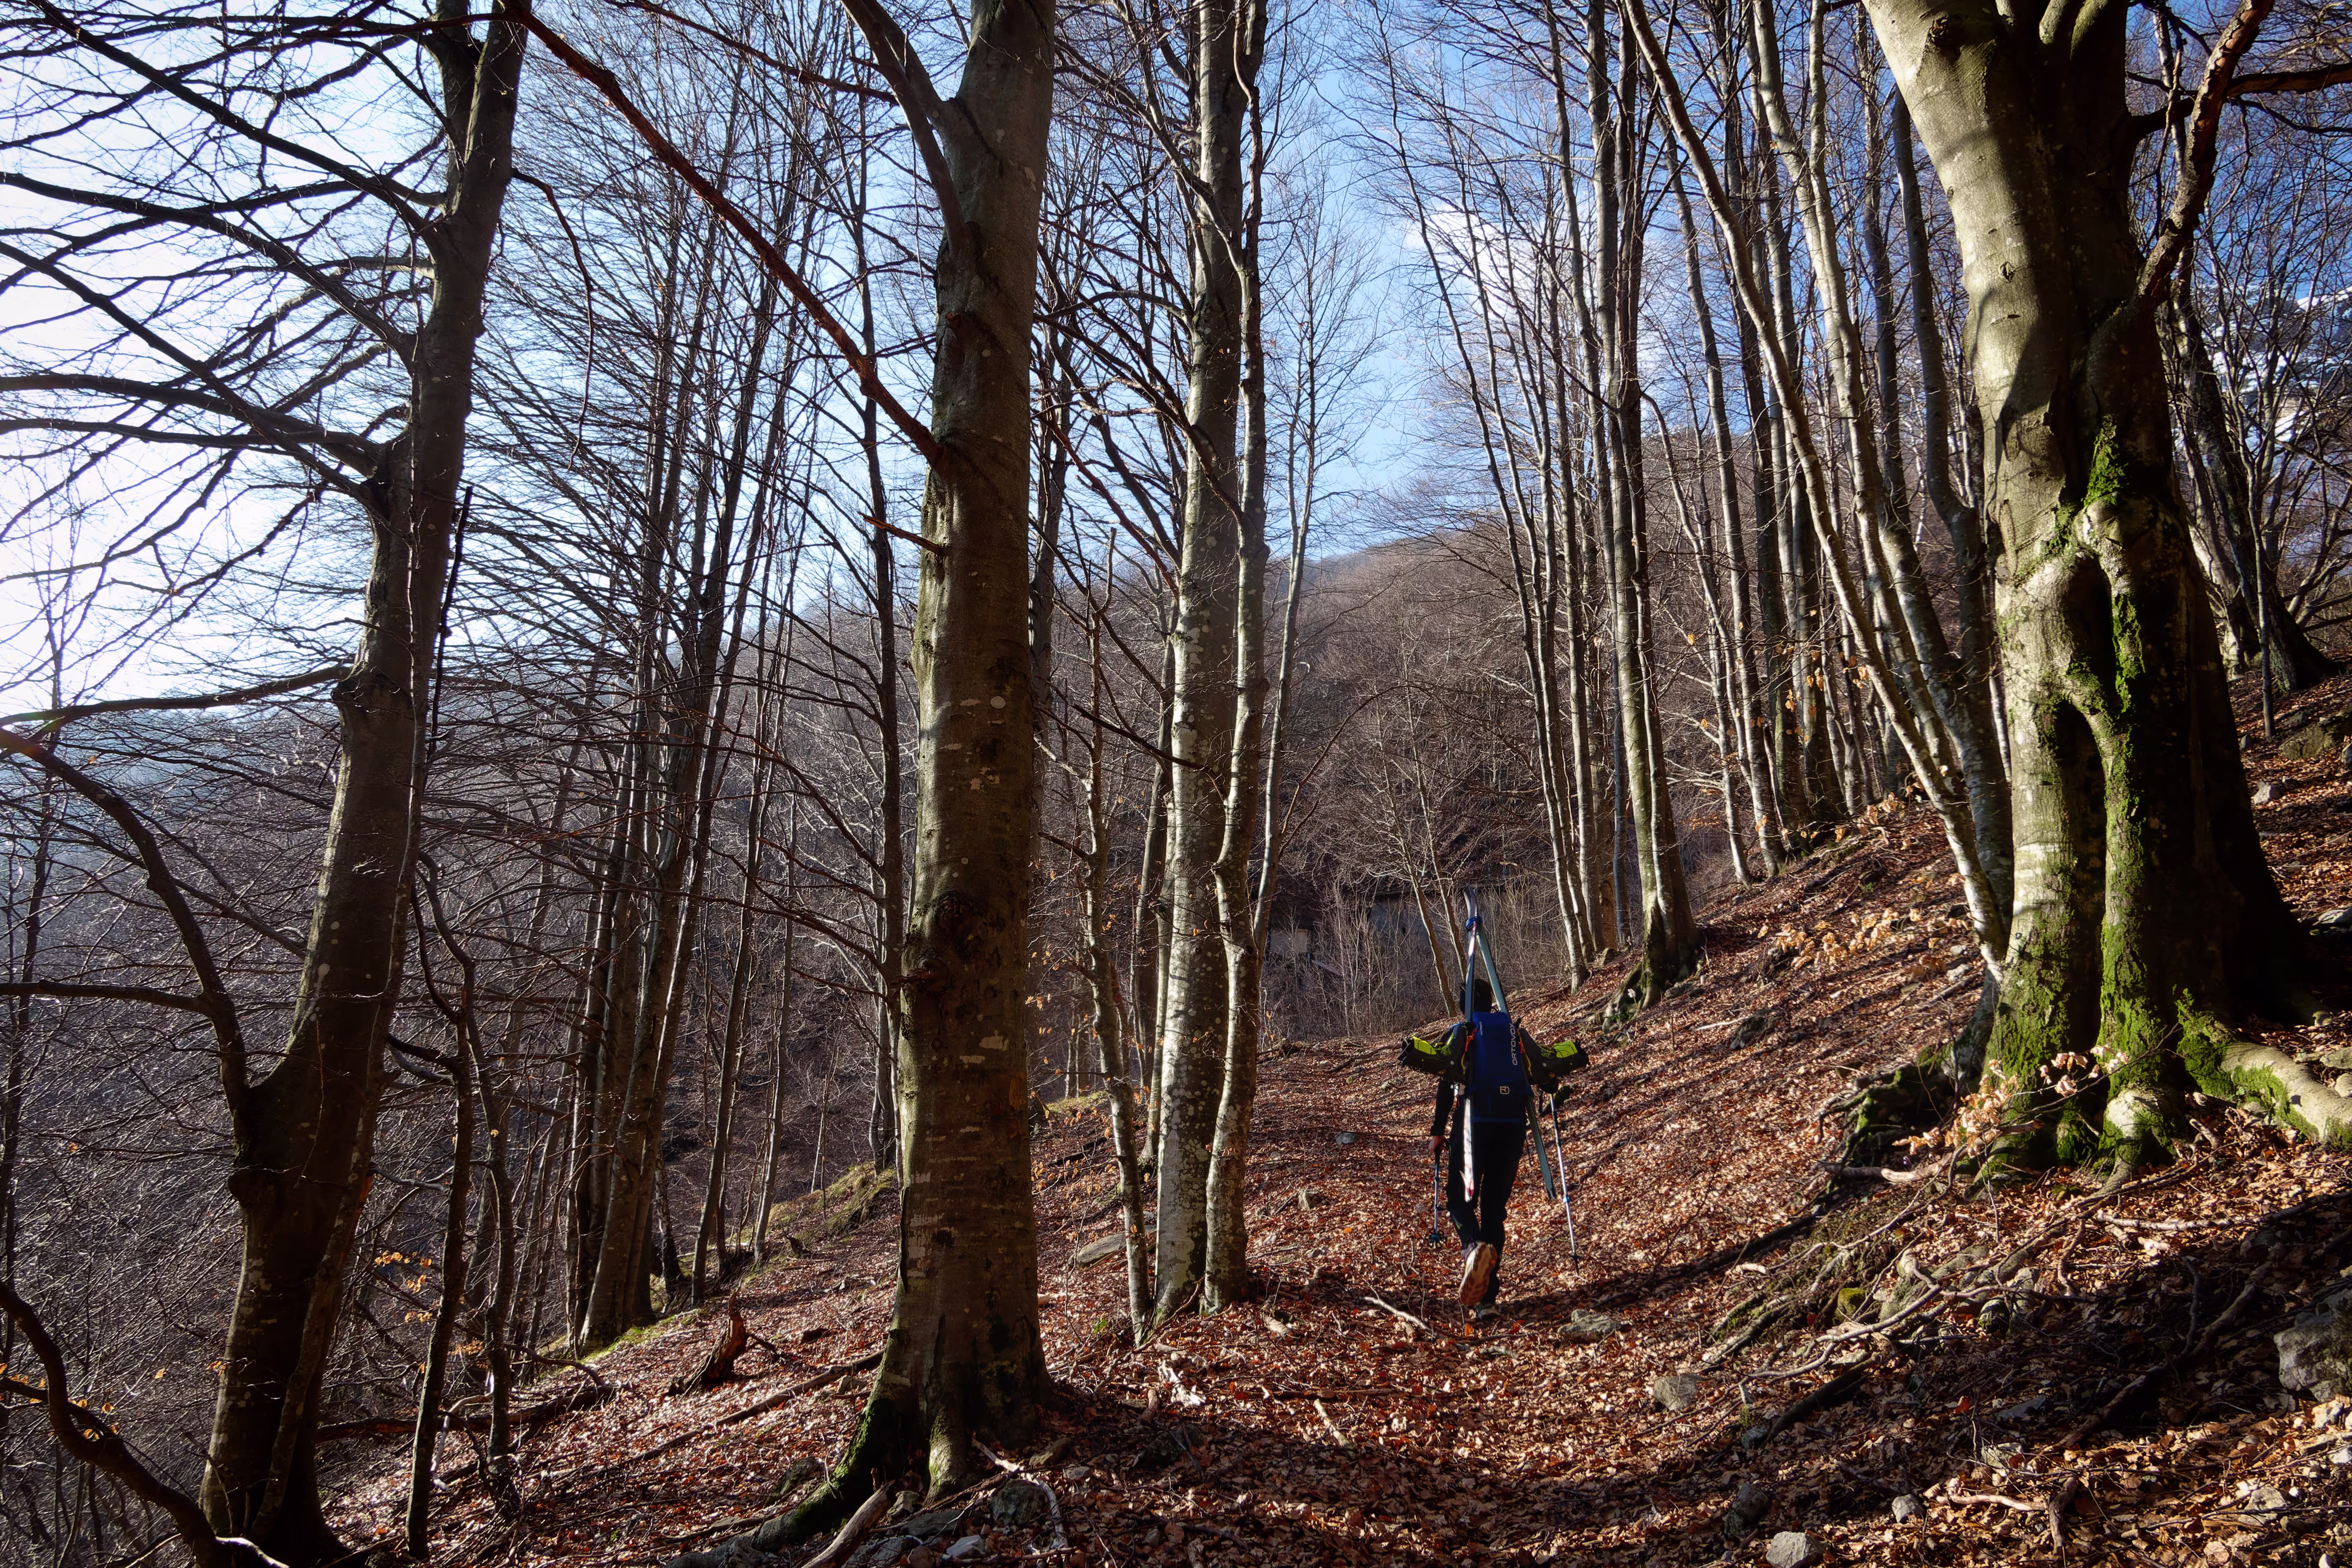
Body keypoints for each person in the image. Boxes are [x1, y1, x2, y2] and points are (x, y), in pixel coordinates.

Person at [1427, 976, 1542, 1316]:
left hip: (1474, 1124)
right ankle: (1488, 1301)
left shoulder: (1464, 1031)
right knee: (1494, 1209)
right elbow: (1539, 1071)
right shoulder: (1512, 1032)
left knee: (1458, 1199)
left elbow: (1447, 1084)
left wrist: (1437, 1131)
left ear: (1465, 1002)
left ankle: (1473, 1248)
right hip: (1513, 1125)